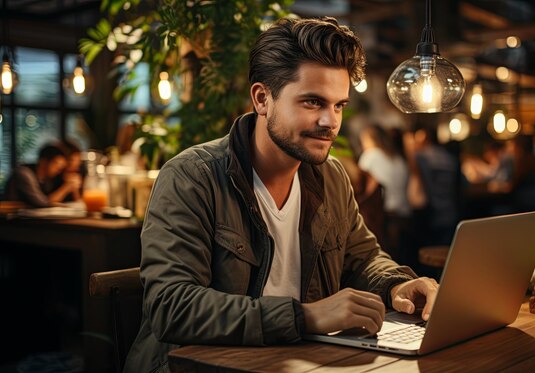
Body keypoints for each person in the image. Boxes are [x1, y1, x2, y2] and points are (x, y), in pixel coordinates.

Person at [125, 17, 439, 372]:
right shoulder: (191, 177)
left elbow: (364, 258)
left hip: (298, 362)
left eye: (339, 105)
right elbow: (172, 306)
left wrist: (398, 284)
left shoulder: (331, 176)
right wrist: (304, 317)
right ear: (262, 98)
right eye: (312, 102)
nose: (330, 122)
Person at [358, 125, 412, 264]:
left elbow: (362, 184)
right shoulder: (397, 157)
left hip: (384, 216)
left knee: (382, 260)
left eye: (363, 140)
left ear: (370, 139)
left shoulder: (371, 156)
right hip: (404, 214)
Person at [5, 143, 81, 207]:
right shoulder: (24, 173)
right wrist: (66, 187)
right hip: (11, 221)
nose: (59, 169)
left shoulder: (47, 179)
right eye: (56, 164)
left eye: (61, 167)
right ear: (44, 161)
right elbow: (42, 202)